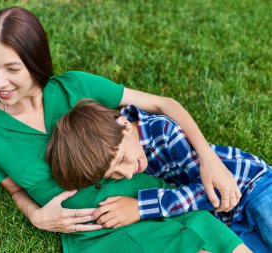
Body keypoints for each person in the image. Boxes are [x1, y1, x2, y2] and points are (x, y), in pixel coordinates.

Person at [0, 6, 246, 252]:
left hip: (151, 199)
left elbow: (162, 104)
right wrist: (36, 216)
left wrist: (209, 158)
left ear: (34, 61)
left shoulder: (75, 86)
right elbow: (16, 191)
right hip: (101, 231)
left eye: (12, 69)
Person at [47, 99, 272, 252]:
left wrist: (141, 207)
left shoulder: (162, 133)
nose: (125, 173)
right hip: (230, 218)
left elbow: (209, 190)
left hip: (253, 188)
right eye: (113, 173)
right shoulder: (123, 153)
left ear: (124, 125)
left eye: (122, 160)